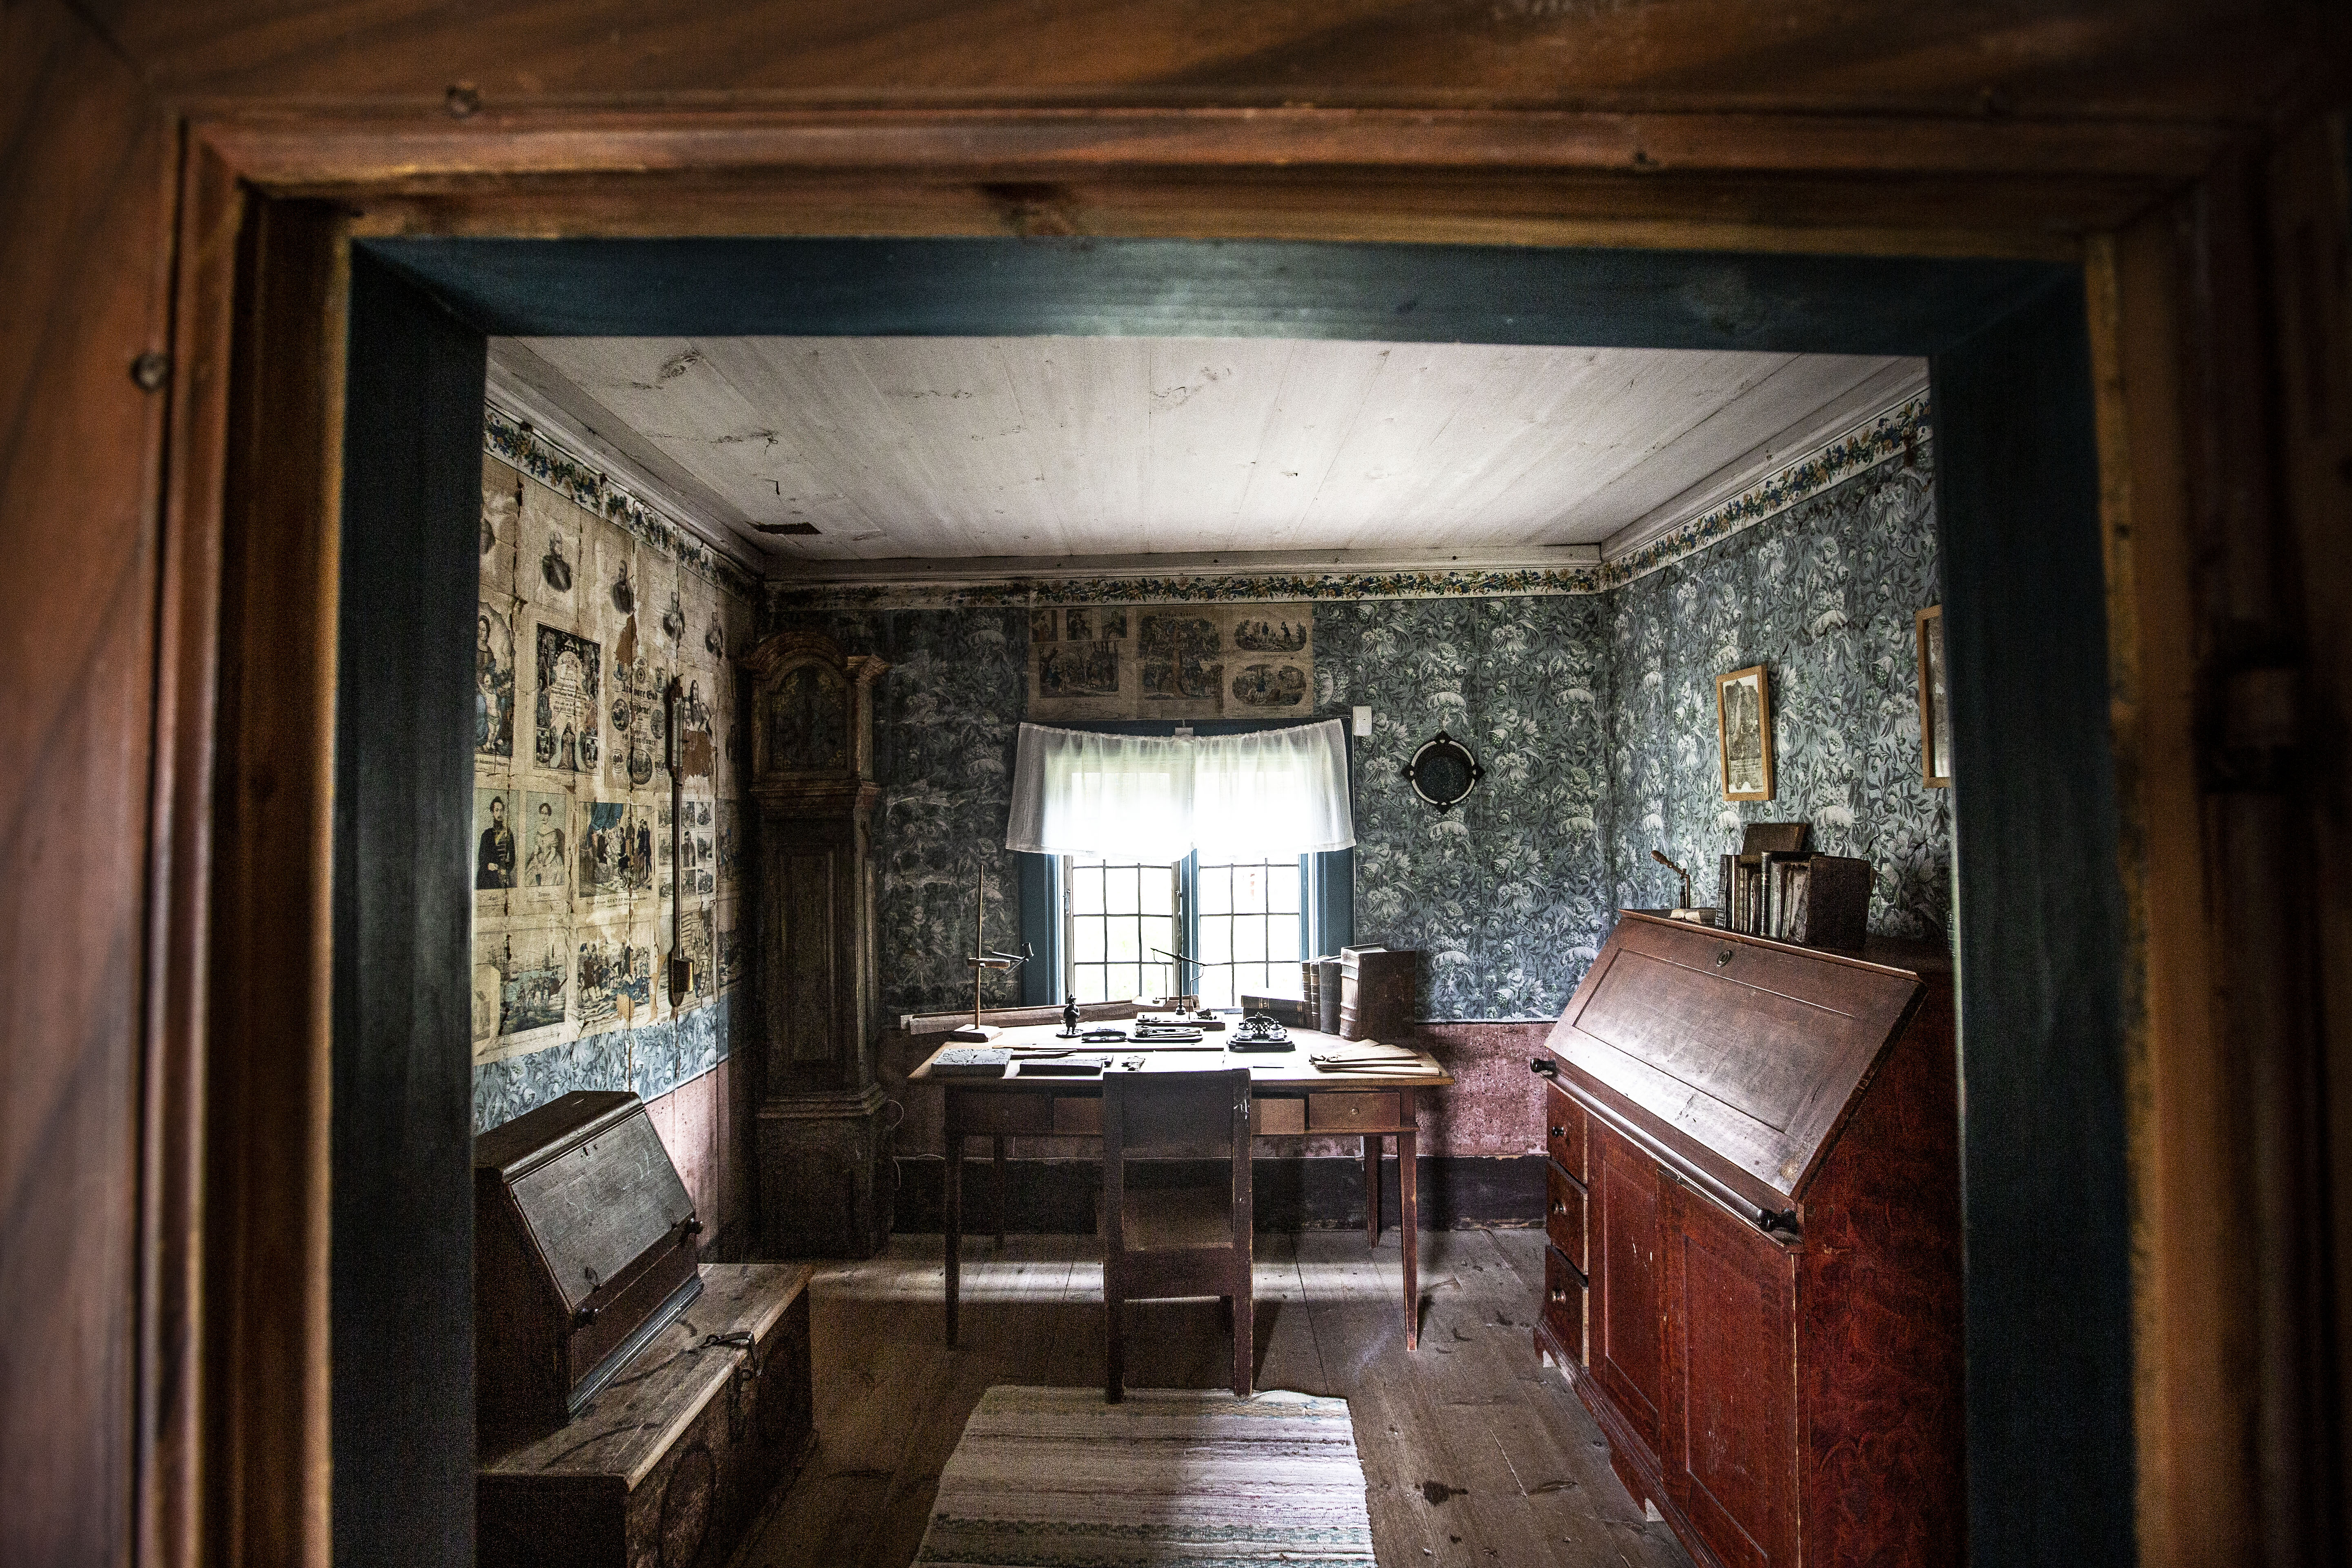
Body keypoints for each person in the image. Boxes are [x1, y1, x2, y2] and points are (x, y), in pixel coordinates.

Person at [475, 795, 515, 889]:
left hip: (502, 875)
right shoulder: (487, 835)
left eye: (501, 810)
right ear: (493, 812)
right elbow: (481, 856)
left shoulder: (508, 834)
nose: (499, 813)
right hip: (488, 876)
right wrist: (488, 865)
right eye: (497, 810)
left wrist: (506, 869)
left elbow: (513, 858)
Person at [525, 800, 565, 886]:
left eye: (546, 814)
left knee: (550, 874)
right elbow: (536, 850)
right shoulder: (538, 832)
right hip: (540, 858)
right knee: (531, 874)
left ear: (549, 815)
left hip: (551, 860)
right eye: (542, 813)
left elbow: (553, 853)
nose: (544, 816)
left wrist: (545, 864)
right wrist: (536, 860)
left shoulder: (553, 833)